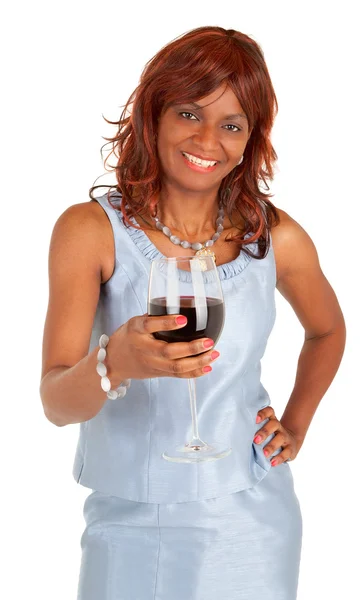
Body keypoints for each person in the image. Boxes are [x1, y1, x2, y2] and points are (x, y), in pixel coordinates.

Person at [40, 26, 346, 600]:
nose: (208, 139)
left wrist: (297, 424)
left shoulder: (274, 237)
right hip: (129, 521)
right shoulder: (89, 232)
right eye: (189, 113)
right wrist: (114, 361)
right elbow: (56, 402)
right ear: (153, 113)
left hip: (252, 518)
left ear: (250, 139)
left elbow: (327, 330)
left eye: (231, 125)